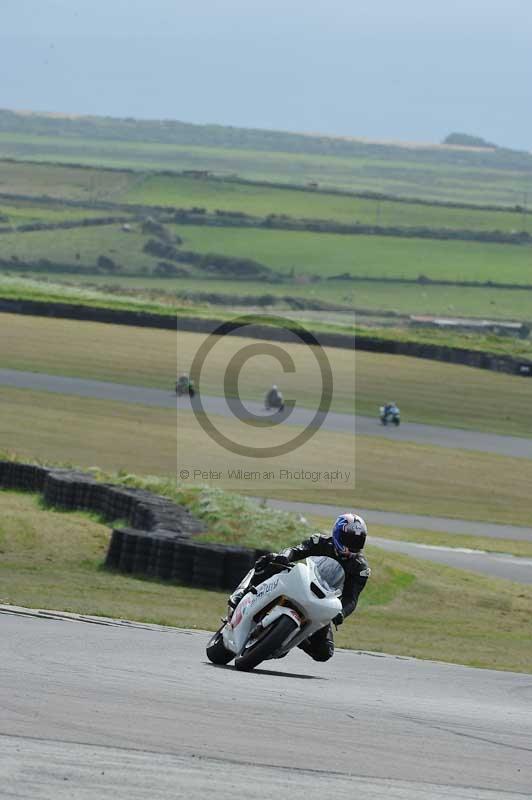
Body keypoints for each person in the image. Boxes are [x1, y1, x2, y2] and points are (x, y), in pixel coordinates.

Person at [228, 513, 370, 662]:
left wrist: (342, 612)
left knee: (324, 652)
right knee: (270, 560)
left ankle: (294, 636)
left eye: (358, 541)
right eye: (349, 539)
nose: (353, 545)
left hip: (325, 600)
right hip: (303, 582)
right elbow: (296, 550)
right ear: (337, 533)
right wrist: (285, 556)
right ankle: (243, 593)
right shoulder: (320, 542)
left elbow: (351, 598)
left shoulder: (360, 568)